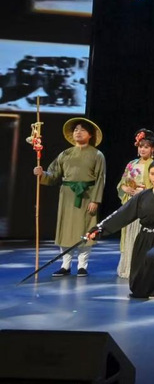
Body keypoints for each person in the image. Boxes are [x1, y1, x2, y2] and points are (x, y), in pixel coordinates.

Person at [88, 160, 154, 299]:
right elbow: (122, 213)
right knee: (138, 286)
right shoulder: (142, 196)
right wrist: (99, 229)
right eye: (152, 174)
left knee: (153, 256)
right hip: (144, 238)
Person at [34, 117, 106, 277]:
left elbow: (100, 178)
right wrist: (42, 174)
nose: (78, 132)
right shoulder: (65, 154)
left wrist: (95, 200)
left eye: (82, 130)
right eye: (76, 130)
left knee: (86, 230)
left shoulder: (97, 155)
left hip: (87, 195)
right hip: (67, 196)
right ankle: (65, 265)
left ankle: (82, 265)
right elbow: (53, 174)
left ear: (90, 135)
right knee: (66, 230)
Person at [116, 129, 154, 279]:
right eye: (140, 146)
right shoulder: (131, 164)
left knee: (141, 235)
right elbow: (122, 182)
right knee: (128, 234)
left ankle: (141, 268)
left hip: (145, 204)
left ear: (152, 149)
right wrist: (125, 188)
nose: (142, 149)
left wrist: (144, 191)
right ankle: (127, 267)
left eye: (146, 147)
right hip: (130, 201)